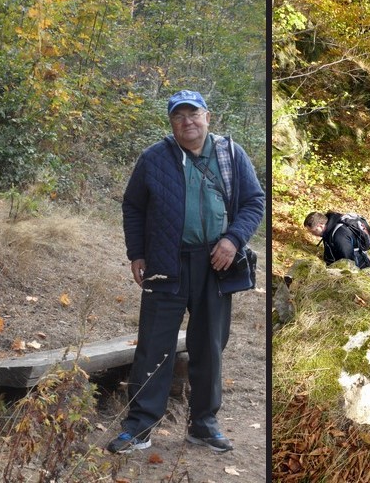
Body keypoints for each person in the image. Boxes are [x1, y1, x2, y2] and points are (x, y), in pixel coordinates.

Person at [107, 90, 265, 454]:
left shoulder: (230, 154)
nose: (187, 122)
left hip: (216, 263)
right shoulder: (153, 159)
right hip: (166, 263)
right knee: (153, 346)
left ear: (207, 117)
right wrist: (137, 253)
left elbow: (254, 201)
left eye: (193, 114)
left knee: (209, 345)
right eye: (179, 116)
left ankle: (204, 424)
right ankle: (140, 426)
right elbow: (132, 206)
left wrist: (233, 240)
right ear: (171, 123)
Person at [304, 211, 370, 268]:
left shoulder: (339, 235)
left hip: (361, 269)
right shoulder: (328, 231)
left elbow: (349, 261)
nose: (312, 234)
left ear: (321, 226)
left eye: (313, 231)